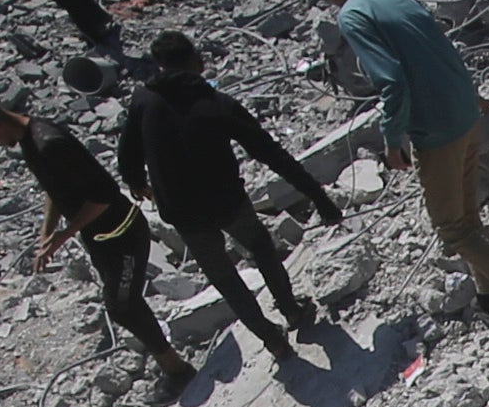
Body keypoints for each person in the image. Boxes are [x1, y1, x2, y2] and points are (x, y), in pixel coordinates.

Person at [304, 0, 489, 323]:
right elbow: (443, 47)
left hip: (437, 129)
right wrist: (473, 94)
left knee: (453, 229)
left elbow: (391, 81)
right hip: (465, 114)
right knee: (468, 218)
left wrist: (392, 140)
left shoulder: (353, 17)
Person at [118, 32, 338, 355]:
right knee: (261, 247)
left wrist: (136, 180)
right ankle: (291, 309)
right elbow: (271, 154)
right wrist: (320, 198)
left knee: (224, 276)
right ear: (196, 61)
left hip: (184, 213)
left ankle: (270, 338)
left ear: (160, 66)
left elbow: (128, 153)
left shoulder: (143, 101)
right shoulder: (216, 104)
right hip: (227, 202)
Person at [0, 95, 193, 394]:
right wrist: (47, 233)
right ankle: (164, 353)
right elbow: (56, 189)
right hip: (102, 239)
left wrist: (64, 234)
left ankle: (178, 370)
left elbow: (104, 195)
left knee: (122, 305)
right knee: (122, 300)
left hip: (123, 233)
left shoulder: (48, 143)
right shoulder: (30, 140)